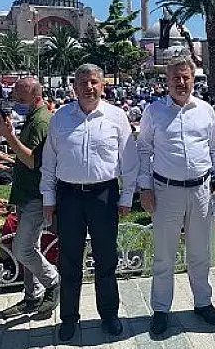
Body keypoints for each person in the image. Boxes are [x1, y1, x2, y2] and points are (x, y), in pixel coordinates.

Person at [40, 64, 139, 341]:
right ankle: (69, 318)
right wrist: (49, 197)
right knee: (69, 261)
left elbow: (129, 161)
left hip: (103, 196)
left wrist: (127, 195)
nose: (89, 87)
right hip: (69, 196)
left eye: (94, 82)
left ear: (102, 85)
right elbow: (49, 161)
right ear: (74, 87)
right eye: (83, 82)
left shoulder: (116, 117)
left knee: (106, 259)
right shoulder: (60, 117)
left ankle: (109, 315)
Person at [138, 55, 215, 335]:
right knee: (164, 254)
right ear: (167, 81)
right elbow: (143, 150)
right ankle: (161, 309)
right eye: (175, 77)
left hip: (201, 190)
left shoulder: (205, 110)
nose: (181, 82)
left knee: (200, 252)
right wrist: (145, 187)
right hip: (166, 191)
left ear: (193, 79)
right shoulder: (154, 112)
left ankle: (203, 302)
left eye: (185, 77)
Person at [0, 77, 60, 319]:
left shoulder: (42, 121)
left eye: (20, 99)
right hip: (26, 194)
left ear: (35, 96)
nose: (15, 103)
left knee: (23, 249)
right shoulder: (32, 118)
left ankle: (53, 282)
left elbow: (33, 160)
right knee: (33, 246)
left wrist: (8, 136)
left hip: (35, 195)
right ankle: (33, 296)